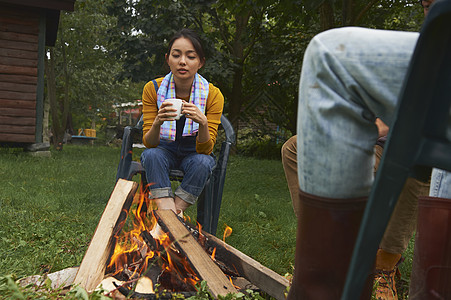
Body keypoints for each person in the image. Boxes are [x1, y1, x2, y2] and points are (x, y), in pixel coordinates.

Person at [285, 0, 451, 297]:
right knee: (293, 148)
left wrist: (375, 128)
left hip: (390, 143)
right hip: (377, 141)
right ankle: (328, 246)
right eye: (426, 6)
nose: (430, 13)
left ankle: (370, 267)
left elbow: (395, 124)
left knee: (330, 57)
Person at [140, 28, 224, 216]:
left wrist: (202, 123)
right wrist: (157, 122)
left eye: (191, 57)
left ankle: (171, 215)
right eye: (176, 55)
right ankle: (170, 213)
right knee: (152, 156)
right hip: (163, 148)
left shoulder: (212, 94)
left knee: (203, 163)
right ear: (168, 59)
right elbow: (149, 143)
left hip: (194, 151)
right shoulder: (153, 89)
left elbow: (206, 150)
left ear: (201, 62)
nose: (182, 62)